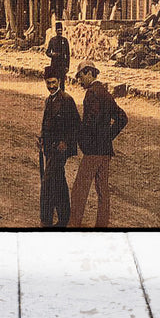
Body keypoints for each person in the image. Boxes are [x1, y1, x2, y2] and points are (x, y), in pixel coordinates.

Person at [68, 62, 127, 229]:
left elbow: (90, 122)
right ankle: (102, 225)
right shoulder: (106, 93)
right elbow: (122, 118)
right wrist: (108, 137)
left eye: (80, 77)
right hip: (105, 150)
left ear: (88, 73)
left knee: (80, 187)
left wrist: (86, 139)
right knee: (102, 190)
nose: (80, 82)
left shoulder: (92, 94)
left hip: (94, 150)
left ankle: (74, 223)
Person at [38, 67, 79, 228]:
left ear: (60, 82)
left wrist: (66, 142)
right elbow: (45, 123)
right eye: (48, 83)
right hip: (49, 149)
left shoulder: (67, 100)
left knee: (48, 182)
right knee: (59, 181)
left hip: (60, 149)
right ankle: (64, 217)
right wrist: (41, 138)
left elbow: (76, 125)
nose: (51, 86)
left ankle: (45, 220)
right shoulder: (48, 100)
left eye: (54, 83)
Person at [45, 21, 71, 87]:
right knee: (54, 82)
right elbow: (47, 52)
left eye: (61, 31)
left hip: (62, 64)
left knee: (62, 83)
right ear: (56, 31)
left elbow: (68, 55)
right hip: (54, 64)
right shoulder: (52, 40)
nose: (60, 32)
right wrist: (52, 54)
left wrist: (67, 66)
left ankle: (62, 96)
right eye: (58, 30)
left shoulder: (65, 40)